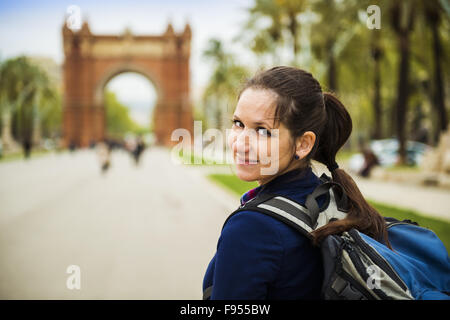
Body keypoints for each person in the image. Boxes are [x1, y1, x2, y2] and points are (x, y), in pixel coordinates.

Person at [202, 66, 390, 300]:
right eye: (239, 123)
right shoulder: (331, 197)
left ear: (303, 144)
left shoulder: (252, 228)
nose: (240, 143)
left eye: (262, 131)